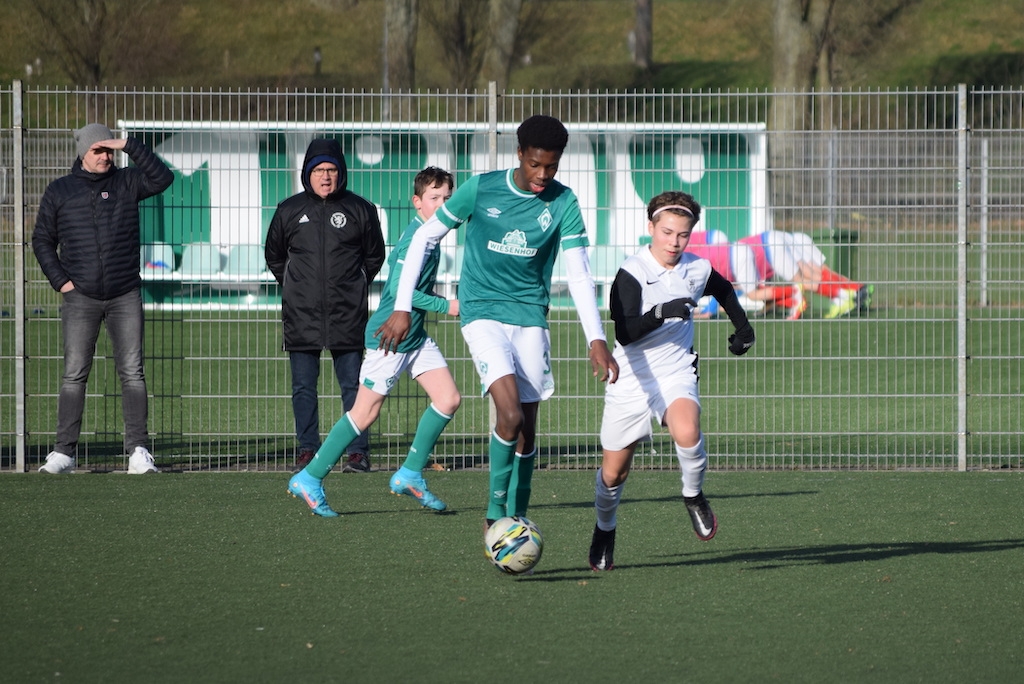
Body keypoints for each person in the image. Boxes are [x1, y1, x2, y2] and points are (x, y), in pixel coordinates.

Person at [375, 115, 619, 528]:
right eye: (535, 164)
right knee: (509, 414)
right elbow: (423, 237)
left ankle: (518, 516)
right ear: (519, 153)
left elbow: (579, 274)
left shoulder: (563, 202)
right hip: (482, 312)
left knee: (527, 429)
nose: (542, 175)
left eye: (551, 166)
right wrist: (401, 305)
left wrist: (596, 338)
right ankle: (494, 517)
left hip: (531, 316)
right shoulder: (481, 188)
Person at [588, 191, 755, 571]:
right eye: (667, 232)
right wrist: (661, 312)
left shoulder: (696, 268)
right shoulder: (631, 273)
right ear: (651, 227)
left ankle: (693, 495)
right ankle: (605, 527)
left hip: (675, 370)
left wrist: (743, 328)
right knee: (614, 473)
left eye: (683, 234)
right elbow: (626, 333)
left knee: (687, 431)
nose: (674, 242)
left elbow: (723, 289)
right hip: (630, 376)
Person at [288, 167, 461, 516]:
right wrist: (448, 306)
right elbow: (400, 292)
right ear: (417, 202)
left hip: (414, 337)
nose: (442, 205)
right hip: (390, 337)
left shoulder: (432, 235)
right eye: (434, 198)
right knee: (364, 412)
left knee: (448, 399)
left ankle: (410, 474)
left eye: (447, 198)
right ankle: (310, 477)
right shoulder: (417, 239)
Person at [32, 123, 174, 474]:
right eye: (99, 150)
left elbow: (163, 178)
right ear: (83, 152)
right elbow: (42, 240)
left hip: (125, 293)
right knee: (74, 375)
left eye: (109, 150)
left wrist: (129, 145)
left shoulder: (127, 182)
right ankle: (64, 453)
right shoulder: (60, 190)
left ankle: (138, 451)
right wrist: (62, 282)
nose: (106, 156)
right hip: (80, 297)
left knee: (133, 373)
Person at [265, 138, 386, 474]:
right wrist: (296, 286)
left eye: (331, 169)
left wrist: (354, 283)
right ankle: (308, 450)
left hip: (347, 313)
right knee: (303, 388)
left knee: (354, 387)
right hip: (301, 314)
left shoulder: (360, 209)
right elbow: (274, 255)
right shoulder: (289, 210)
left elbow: (374, 256)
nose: (326, 176)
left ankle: (357, 452)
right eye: (318, 170)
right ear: (308, 173)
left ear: (341, 172)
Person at [736, 230, 872, 319]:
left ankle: (849, 293)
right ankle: (855, 290)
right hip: (781, 238)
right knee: (816, 274)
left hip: (782, 241)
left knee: (811, 276)